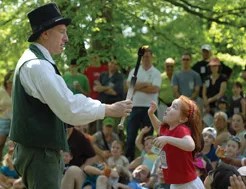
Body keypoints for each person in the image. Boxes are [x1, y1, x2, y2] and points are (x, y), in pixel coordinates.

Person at [9, 3, 132, 189]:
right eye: (61, 31)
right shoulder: (37, 65)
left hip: (39, 151)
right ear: (45, 33)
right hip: (40, 153)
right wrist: (108, 109)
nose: (66, 38)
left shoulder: (36, 62)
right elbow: (69, 107)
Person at [148, 95, 204, 188]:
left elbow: (190, 145)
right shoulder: (166, 129)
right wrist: (151, 114)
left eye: (174, 107)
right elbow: (158, 128)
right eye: (170, 105)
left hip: (189, 184)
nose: (168, 108)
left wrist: (167, 139)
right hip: (175, 184)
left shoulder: (181, 129)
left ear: (182, 119)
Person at [126, 46, 161, 162]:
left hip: (149, 109)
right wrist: (146, 84)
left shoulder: (156, 72)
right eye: (144, 56)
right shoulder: (134, 71)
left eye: (148, 56)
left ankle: (148, 160)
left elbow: (155, 89)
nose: (146, 58)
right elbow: (130, 87)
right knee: (131, 135)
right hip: (134, 107)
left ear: (152, 57)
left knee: (148, 137)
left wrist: (138, 86)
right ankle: (129, 159)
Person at [0, 70, 13, 161]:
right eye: (10, 82)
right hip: (3, 120)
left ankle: (9, 166)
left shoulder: (17, 91)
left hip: (14, 121)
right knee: (0, 143)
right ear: (7, 82)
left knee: (11, 146)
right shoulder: (1, 91)